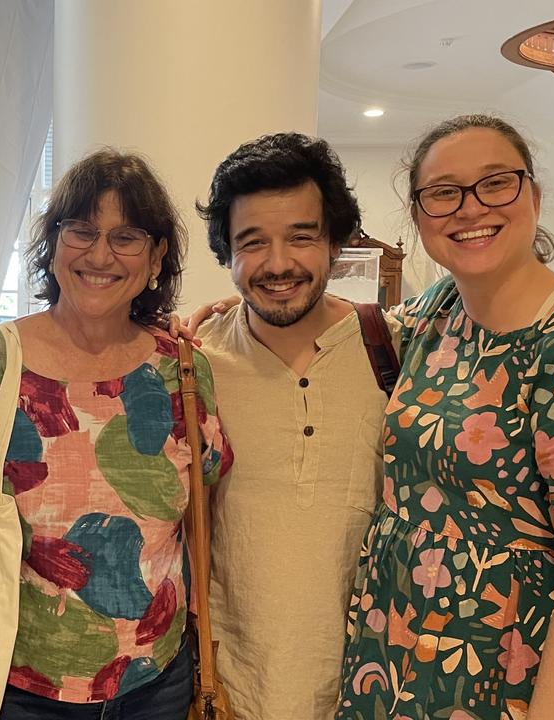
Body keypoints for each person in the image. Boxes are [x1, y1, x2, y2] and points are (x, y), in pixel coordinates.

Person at [338, 115, 554, 718]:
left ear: (534, 197)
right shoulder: (442, 310)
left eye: (495, 183)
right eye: (443, 192)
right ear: (419, 215)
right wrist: (242, 310)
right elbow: (353, 326)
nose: (469, 207)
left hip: (521, 662)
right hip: (412, 641)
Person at [0, 149, 232, 719]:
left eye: (126, 237)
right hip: (14, 680)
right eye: (82, 231)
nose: (100, 255)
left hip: (157, 680)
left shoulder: (181, 369)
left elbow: (200, 518)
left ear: (157, 256)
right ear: (53, 241)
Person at [186, 132, 401, 719]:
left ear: (336, 242)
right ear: (226, 253)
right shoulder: (194, 362)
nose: (278, 264)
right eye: (252, 243)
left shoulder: (396, 349)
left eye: (301, 238)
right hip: (230, 687)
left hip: (368, 681)